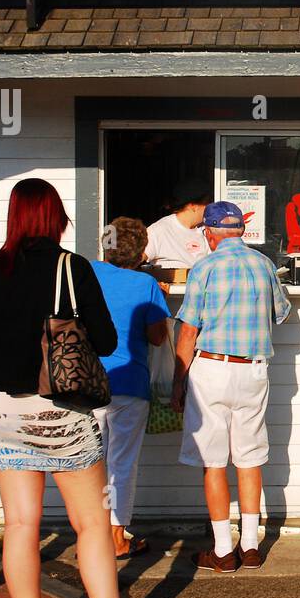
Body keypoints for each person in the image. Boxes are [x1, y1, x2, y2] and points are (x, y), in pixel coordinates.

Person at [0, 178, 169, 598]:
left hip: (1, 412)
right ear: (55, 217)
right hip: (61, 411)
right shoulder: (70, 267)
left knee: (19, 525)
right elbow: (105, 341)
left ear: (14, 217)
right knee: (93, 524)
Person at [170, 201, 292, 572]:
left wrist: (177, 383)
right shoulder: (265, 265)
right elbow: (280, 312)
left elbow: (189, 329)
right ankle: (251, 546)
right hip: (253, 370)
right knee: (249, 458)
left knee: (213, 462)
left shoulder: (204, 267)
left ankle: (223, 550)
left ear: (209, 233)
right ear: (240, 230)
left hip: (212, 368)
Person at [92, 217, 171, 559]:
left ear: (105, 246)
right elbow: (157, 337)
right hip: (129, 385)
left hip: (86, 383)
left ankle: (91, 536)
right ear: (140, 253)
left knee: (90, 464)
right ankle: (116, 536)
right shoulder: (145, 285)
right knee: (121, 464)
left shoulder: (87, 274)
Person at [145, 180, 213, 272]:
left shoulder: (206, 229)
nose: (211, 207)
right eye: (208, 203)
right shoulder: (159, 229)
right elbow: (135, 258)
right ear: (193, 205)